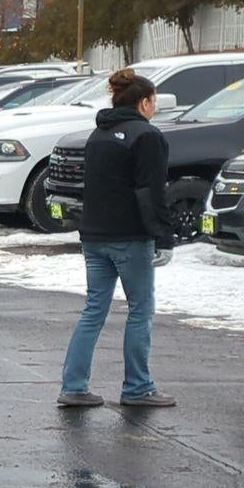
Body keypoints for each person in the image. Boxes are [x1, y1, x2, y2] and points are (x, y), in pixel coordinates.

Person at [58, 68, 177, 408]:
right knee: (140, 309)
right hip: (130, 236)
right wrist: (163, 236)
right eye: (153, 101)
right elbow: (150, 191)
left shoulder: (99, 134)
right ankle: (138, 387)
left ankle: (74, 385)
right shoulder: (147, 136)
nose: (154, 107)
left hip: (95, 235)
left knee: (94, 308)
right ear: (143, 102)